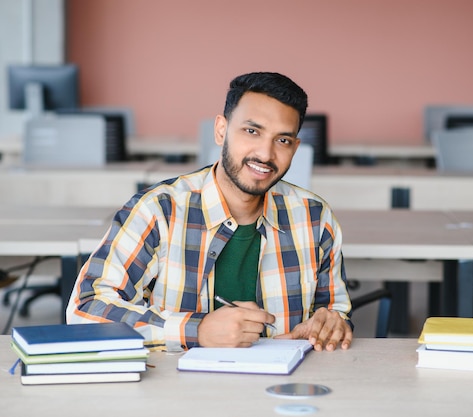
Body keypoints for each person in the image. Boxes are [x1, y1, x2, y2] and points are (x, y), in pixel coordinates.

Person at [66, 72, 353, 352]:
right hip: (177, 393)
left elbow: (333, 311)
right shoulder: (159, 210)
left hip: (280, 390)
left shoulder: (315, 218)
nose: (265, 154)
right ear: (221, 130)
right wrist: (197, 331)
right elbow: (85, 309)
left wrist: (330, 323)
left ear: (295, 148)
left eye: (283, 140)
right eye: (252, 131)